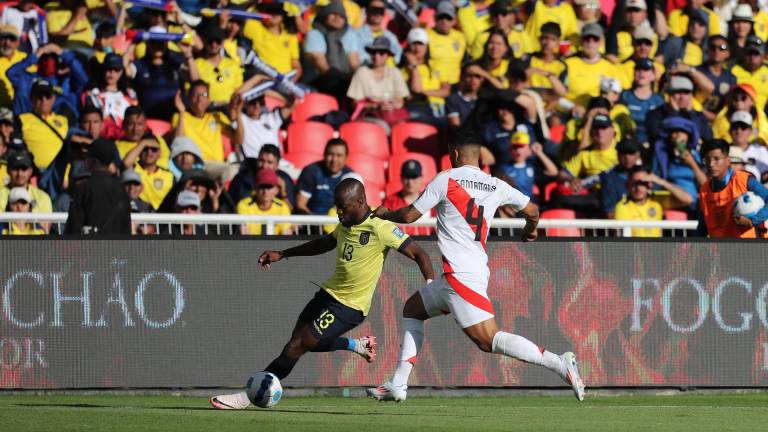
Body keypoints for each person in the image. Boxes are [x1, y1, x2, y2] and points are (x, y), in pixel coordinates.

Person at [368, 134, 584, 402]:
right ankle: (398, 384)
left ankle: (559, 363)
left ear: (455, 154)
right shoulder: (496, 185)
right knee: (412, 309)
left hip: (460, 276)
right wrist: (529, 232)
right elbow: (533, 210)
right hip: (464, 273)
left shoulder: (446, 179)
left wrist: (385, 213)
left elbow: (411, 215)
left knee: (488, 340)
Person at [210, 178, 435, 410]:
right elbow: (323, 244)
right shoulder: (346, 224)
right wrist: (282, 253)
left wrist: (429, 288)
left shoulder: (381, 227)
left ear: (359, 202)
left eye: (343, 207)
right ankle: (357, 345)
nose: (338, 212)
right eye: (336, 206)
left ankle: (248, 396)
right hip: (327, 294)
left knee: (296, 346)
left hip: (349, 307)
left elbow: (420, 254)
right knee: (298, 343)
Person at [698, 139, 768, 237]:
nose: (711, 164)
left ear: (728, 160)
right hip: (720, 250)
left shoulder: (745, 180)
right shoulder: (704, 190)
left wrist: (753, 221)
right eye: (707, 160)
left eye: (716, 159)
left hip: (750, 249)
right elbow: (702, 228)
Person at [64, 138, 131, 235]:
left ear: (94, 161)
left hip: (90, 247)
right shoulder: (120, 188)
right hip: (116, 247)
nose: (85, 159)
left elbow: (74, 226)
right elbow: (126, 224)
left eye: (88, 156)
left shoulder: (83, 188)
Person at [347, 36, 410, 133]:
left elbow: (401, 100)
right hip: (369, 114)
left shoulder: (395, 72)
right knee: (383, 127)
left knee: (402, 128)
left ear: (387, 55)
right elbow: (354, 104)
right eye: (373, 52)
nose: (377, 56)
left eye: (381, 53)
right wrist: (376, 106)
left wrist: (394, 104)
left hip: (391, 114)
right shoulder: (362, 72)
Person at [302, 1, 362, 100]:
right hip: (318, 81)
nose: (337, 18)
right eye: (333, 14)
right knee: (333, 82)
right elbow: (321, 65)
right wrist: (346, 79)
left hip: (344, 80)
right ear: (325, 15)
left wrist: (360, 77)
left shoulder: (349, 35)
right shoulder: (314, 34)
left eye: (341, 16)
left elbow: (354, 63)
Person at [613, 166, 694, 237]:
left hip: (656, 251)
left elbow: (688, 199)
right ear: (628, 184)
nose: (639, 188)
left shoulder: (656, 200)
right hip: (634, 252)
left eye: (643, 183)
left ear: (649, 184)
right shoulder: (622, 206)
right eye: (635, 183)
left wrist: (660, 181)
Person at [81, 53, 136, 140]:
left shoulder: (130, 95)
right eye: (108, 69)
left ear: (122, 72)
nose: (112, 73)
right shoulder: (93, 95)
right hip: (103, 140)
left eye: (116, 70)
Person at [296, 138, 355, 215]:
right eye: (330, 154)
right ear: (324, 155)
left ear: (346, 157)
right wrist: (316, 225)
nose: (334, 160)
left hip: (339, 223)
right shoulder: (311, 172)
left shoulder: (351, 177)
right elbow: (300, 205)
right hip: (312, 223)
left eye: (339, 155)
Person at [496, 131, 558, 199]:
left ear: (528, 149)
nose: (518, 150)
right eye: (515, 147)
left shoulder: (531, 166)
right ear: (510, 149)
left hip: (530, 203)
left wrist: (539, 153)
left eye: (521, 146)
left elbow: (553, 172)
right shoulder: (503, 169)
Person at [122, 134, 174, 210]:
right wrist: (143, 143)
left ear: (160, 153)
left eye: (154, 149)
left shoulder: (169, 175)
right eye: (145, 148)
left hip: (163, 218)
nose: (149, 152)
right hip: (140, 215)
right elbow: (126, 163)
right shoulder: (134, 170)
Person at [195, 24, 243, 106]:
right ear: (204, 41)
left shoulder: (233, 64)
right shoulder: (196, 64)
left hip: (229, 109)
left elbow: (238, 90)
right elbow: (194, 93)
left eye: (217, 41)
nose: (214, 45)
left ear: (223, 42)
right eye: (210, 41)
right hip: (207, 109)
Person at [619, 58, 664, 147]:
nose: (641, 73)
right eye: (638, 70)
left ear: (653, 75)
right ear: (634, 73)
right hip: (629, 143)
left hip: (652, 143)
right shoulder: (624, 96)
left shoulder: (659, 100)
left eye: (646, 70)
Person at [382, 159, 432, 236]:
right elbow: (386, 228)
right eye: (407, 177)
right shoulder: (390, 202)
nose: (410, 182)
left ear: (421, 178)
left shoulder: (430, 200)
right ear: (401, 178)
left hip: (429, 244)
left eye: (414, 177)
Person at [237, 168, 292, 235]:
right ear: (255, 188)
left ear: (277, 190)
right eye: (262, 187)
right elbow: (245, 232)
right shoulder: (244, 204)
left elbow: (285, 233)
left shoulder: (282, 206)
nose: (265, 192)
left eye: (269, 187)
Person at [0, 151, 52, 216]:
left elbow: (46, 224)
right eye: (15, 169)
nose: (20, 174)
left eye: (24, 169)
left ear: (30, 171)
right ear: (8, 170)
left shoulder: (42, 197)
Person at [599, 140, 643, 215]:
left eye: (631, 153)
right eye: (623, 153)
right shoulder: (610, 179)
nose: (627, 158)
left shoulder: (646, 175)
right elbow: (609, 213)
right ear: (618, 155)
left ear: (638, 155)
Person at [427, 1, 466, 86]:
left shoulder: (460, 37)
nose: (444, 21)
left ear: (454, 20)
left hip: (455, 84)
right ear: (435, 18)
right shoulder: (426, 36)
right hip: (434, 84)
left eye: (448, 18)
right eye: (441, 17)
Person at [356, 0, 401, 66]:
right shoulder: (356, 34)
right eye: (374, 10)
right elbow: (360, 59)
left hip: (389, 73)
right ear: (366, 11)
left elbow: (397, 58)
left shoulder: (391, 37)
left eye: (380, 11)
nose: (377, 13)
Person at [729, 111, 768, 182]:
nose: (739, 131)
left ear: (750, 131)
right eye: (735, 127)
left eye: (743, 127)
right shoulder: (722, 151)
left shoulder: (760, 151)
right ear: (730, 130)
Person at [445, 63, 485, 129]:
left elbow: (503, 92)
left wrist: (486, 75)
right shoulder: (453, 99)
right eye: (469, 76)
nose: (473, 80)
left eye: (477, 76)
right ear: (462, 77)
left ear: (483, 79)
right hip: (464, 137)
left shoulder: (485, 99)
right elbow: (456, 128)